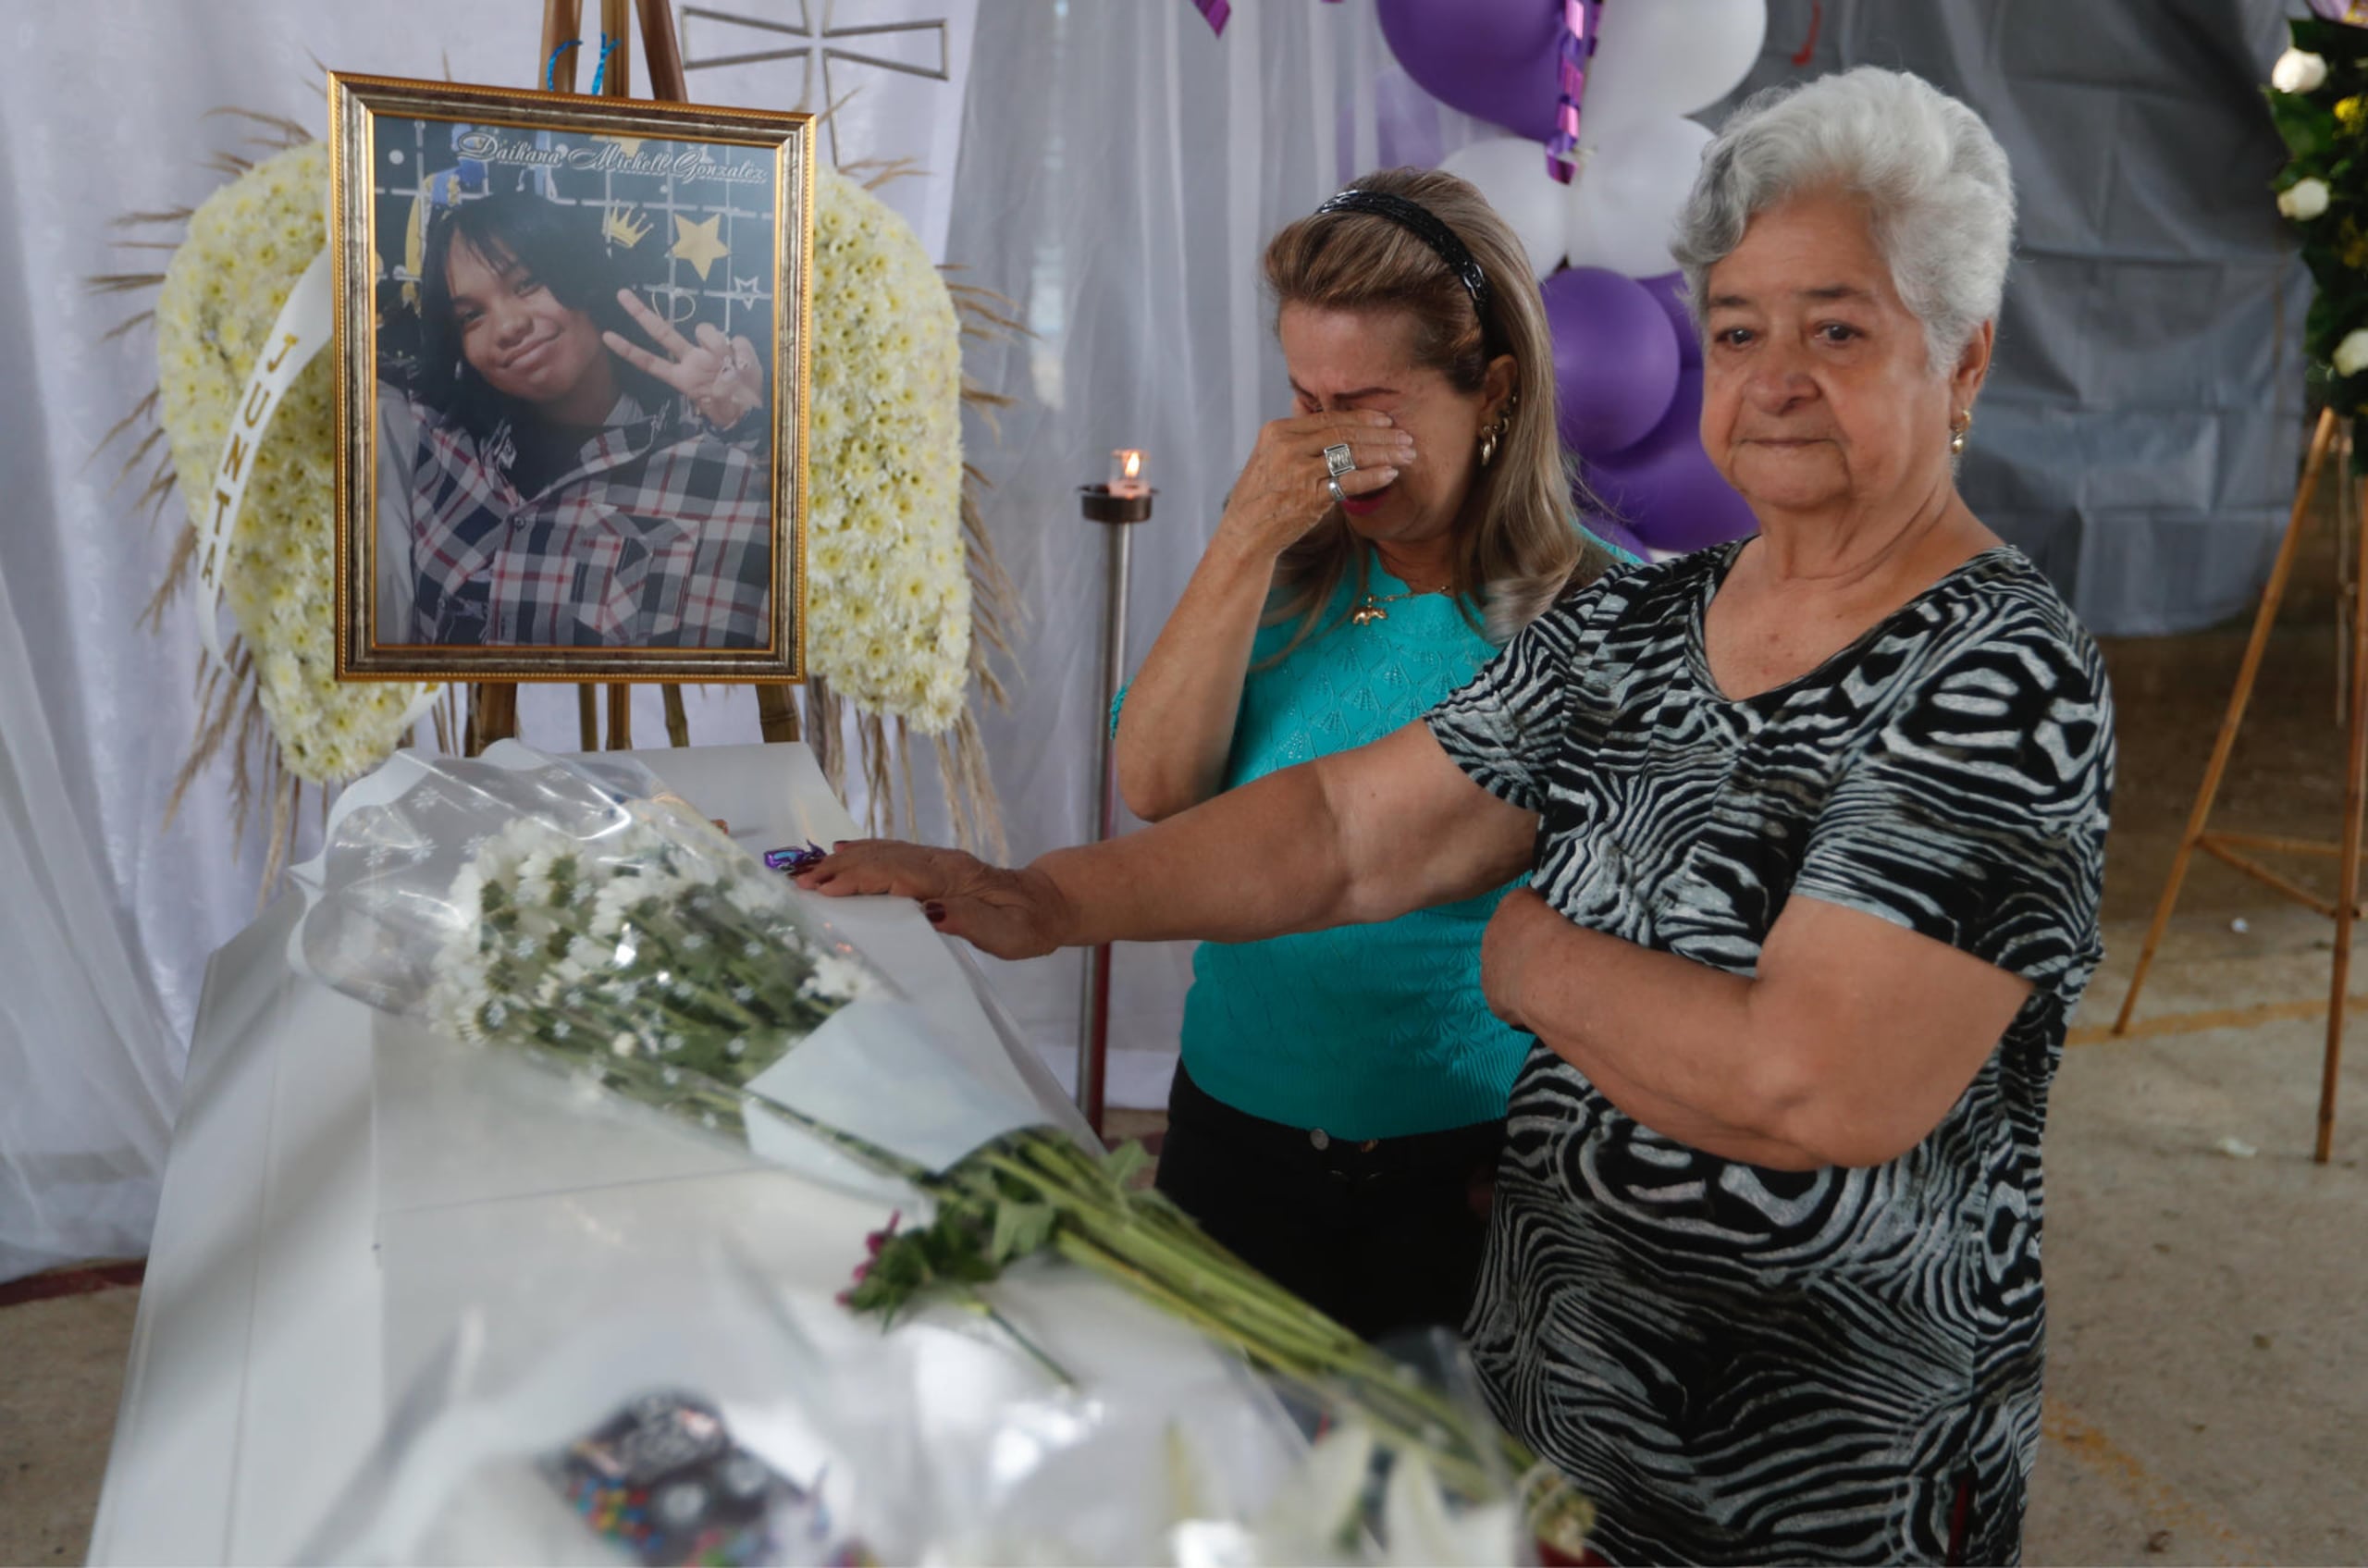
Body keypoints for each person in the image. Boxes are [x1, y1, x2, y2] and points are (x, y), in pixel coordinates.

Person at [801, 66, 2113, 1565]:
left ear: (1964, 363)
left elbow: (1809, 1083)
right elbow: (1350, 834)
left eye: (1841, 330)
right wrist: (1040, 897)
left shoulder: (1997, 671)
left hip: (1810, 1463)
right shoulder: (1648, 624)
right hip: (1553, 1395)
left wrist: (1531, 959)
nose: (1773, 379)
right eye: (1739, 330)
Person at [1109, 167, 1628, 1341]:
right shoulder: (1282, 581)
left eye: (1371, 409)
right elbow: (1153, 789)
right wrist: (1244, 535)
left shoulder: (1598, 618)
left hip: (1471, 1165)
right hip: (1230, 1131)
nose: (1334, 453)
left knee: (1441, 1519)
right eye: (1306, 402)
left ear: (1491, 389)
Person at [376, 191, 773, 648]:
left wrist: (754, 433)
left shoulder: (717, 457)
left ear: (585, 279)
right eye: (472, 315)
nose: (507, 327)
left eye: (526, 284)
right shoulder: (438, 435)